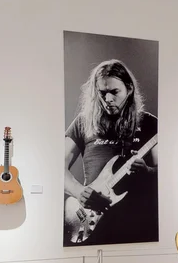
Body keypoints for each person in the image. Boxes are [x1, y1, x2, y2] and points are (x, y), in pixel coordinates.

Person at [64, 59, 158, 245]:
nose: (108, 99)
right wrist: (78, 191)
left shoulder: (149, 123)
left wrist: (147, 171)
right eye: (102, 93)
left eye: (114, 92)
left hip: (138, 224)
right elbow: (57, 165)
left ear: (129, 89)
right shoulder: (84, 122)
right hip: (94, 222)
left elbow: (166, 172)